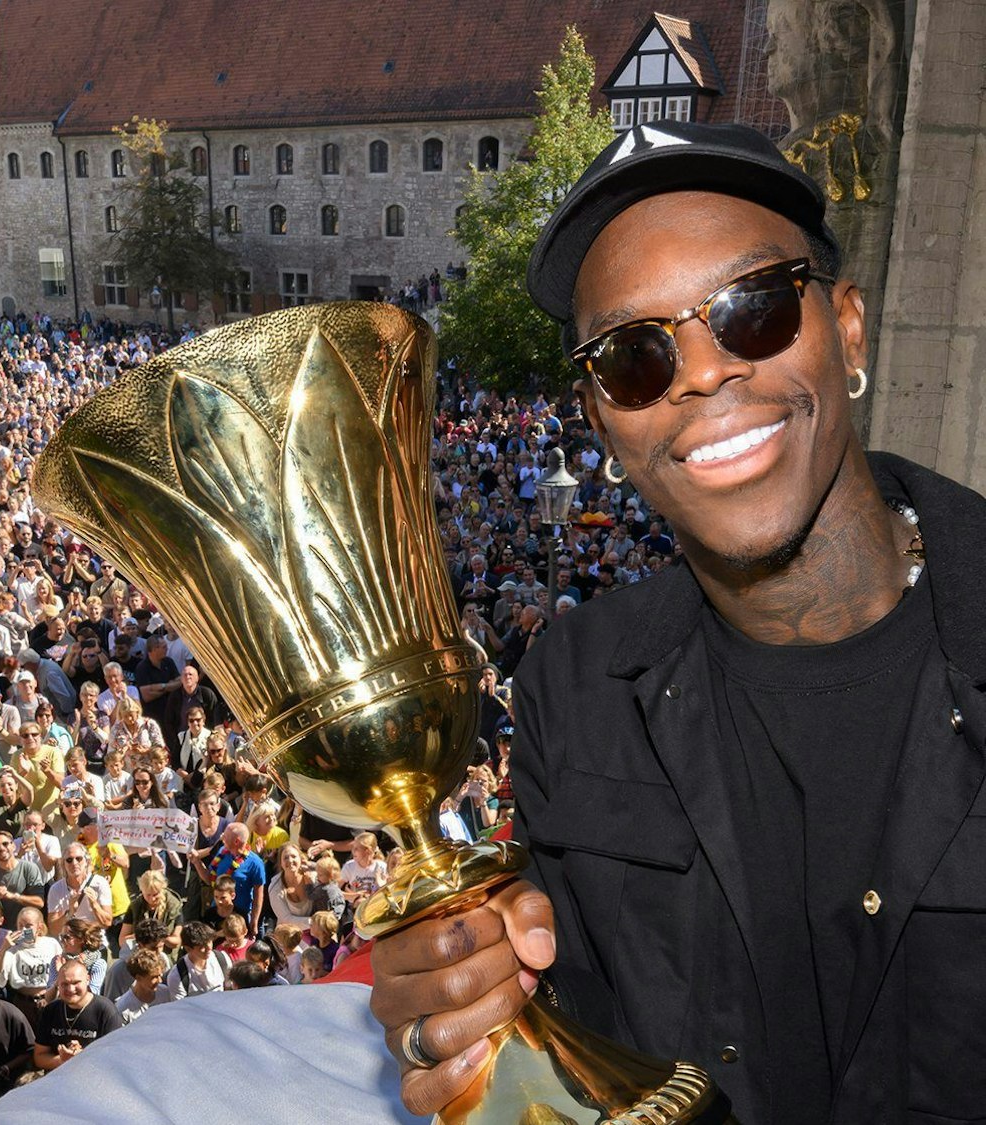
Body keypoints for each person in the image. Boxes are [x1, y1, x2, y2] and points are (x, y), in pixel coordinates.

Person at [371, 120, 986, 1123]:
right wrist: (474, 1000)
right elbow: (581, 1027)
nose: (699, 375)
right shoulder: (576, 686)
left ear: (849, 327)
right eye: (631, 355)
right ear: (599, 418)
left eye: (750, 310)